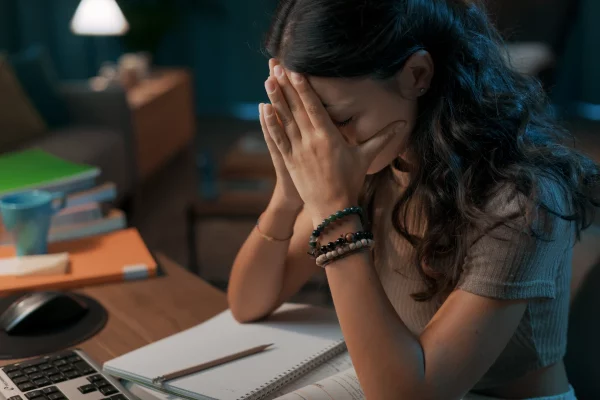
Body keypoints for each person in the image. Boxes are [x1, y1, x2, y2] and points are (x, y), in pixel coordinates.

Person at [227, 0, 600, 399]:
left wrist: (335, 212)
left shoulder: (521, 199)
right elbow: (248, 302)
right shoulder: (376, 164)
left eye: (341, 120)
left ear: (417, 75)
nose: (325, 142)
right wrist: (288, 196)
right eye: (309, 118)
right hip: (396, 375)